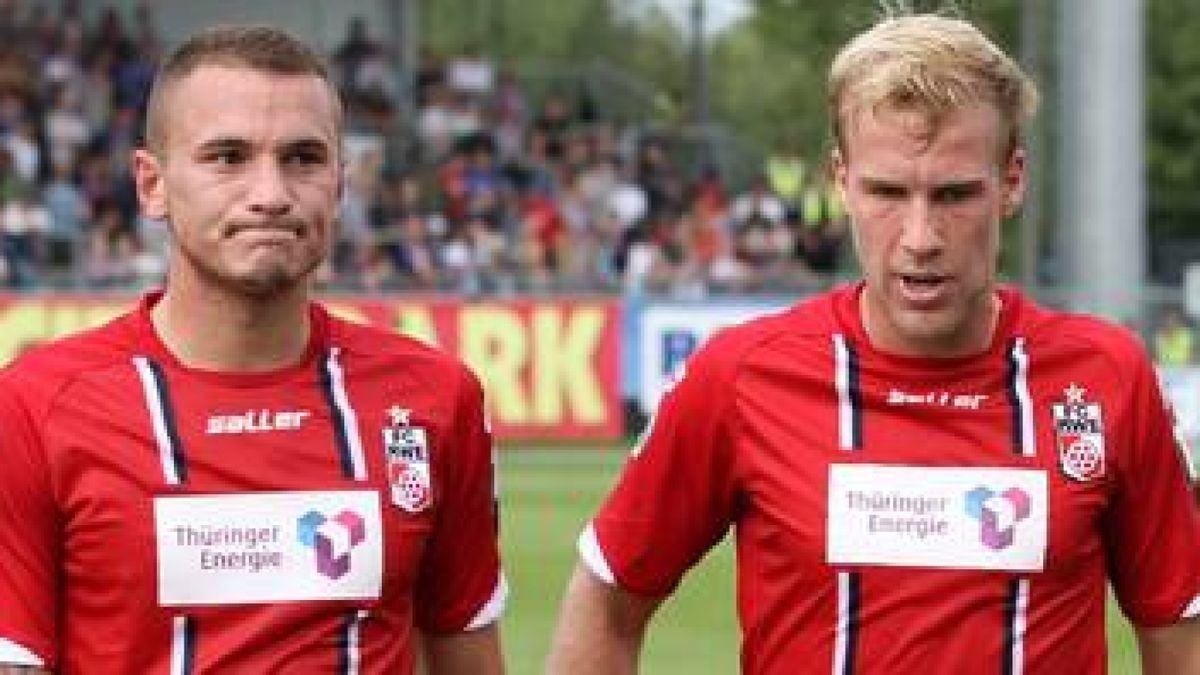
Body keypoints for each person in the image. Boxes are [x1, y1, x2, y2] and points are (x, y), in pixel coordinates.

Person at [547, 13, 1200, 675]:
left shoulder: (1107, 377)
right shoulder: (742, 375)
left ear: (1012, 181)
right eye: (887, 191)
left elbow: (1181, 637)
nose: (920, 236)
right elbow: (606, 602)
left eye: (954, 194)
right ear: (841, 180)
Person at [0, 25, 506, 674]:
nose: (270, 193)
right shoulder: (34, 410)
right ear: (151, 184)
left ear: (341, 182)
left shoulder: (435, 399)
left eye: (303, 157)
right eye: (227, 156)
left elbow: (468, 656)